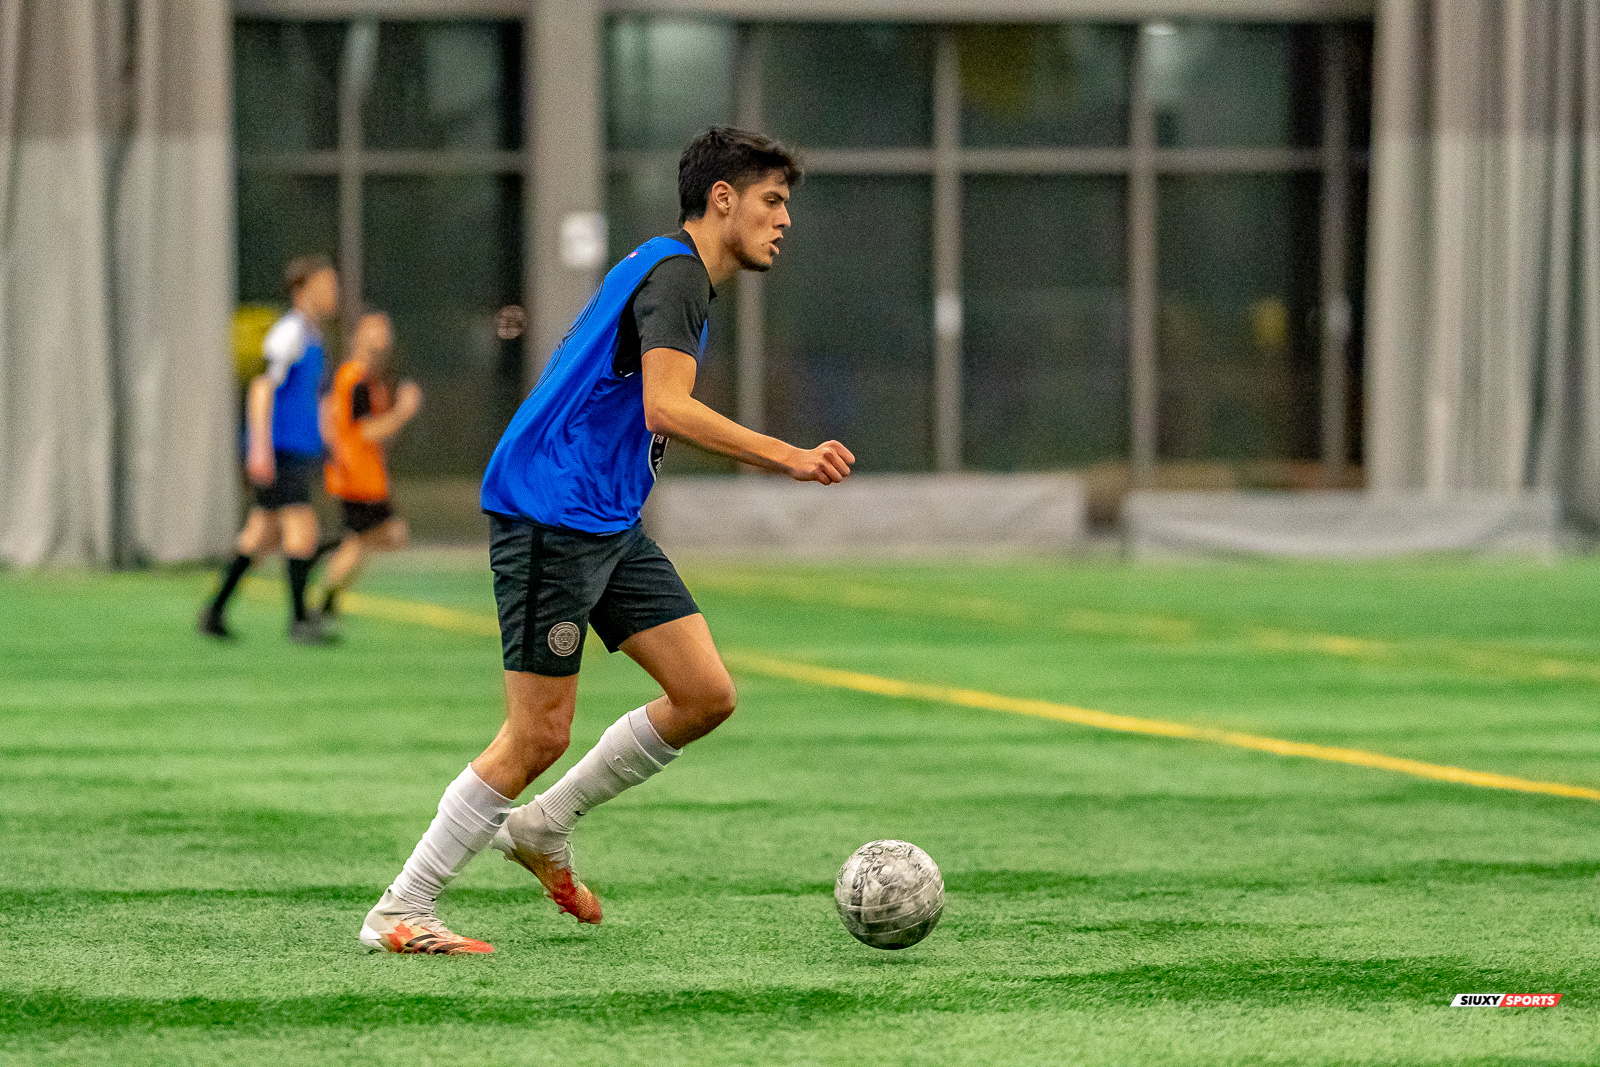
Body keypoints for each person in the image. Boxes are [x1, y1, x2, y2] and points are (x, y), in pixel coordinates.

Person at [359, 126, 854, 955]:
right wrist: (788, 457)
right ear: (722, 199)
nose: (784, 219)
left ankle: (544, 824)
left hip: (604, 517)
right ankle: (401, 909)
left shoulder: (664, 268)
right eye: (772, 200)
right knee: (538, 734)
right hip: (553, 510)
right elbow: (667, 407)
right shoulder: (679, 276)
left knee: (704, 692)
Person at [200, 255, 338, 645]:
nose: (333, 294)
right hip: (281, 449)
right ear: (302, 289)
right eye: (325, 285)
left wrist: (327, 443)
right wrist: (259, 447)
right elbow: (262, 387)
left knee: (260, 533)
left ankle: (213, 611)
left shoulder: (314, 337)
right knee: (301, 526)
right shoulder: (288, 333)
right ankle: (299, 620)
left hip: (298, 448)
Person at [317, 310, 421, 621]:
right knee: (387, 536)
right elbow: (365, 431)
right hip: (357, 477)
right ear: (359, 335)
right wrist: (403, 411)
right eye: (375, 330)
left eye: (385, 331)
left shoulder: (368, 379)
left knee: (364, 542)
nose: (383, 338)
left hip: (365, 476)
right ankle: (321, 575)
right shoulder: (356, 378)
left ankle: (326, 598)